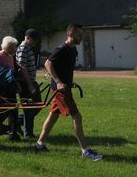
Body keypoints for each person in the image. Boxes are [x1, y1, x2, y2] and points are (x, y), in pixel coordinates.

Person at [34, 24, 104, 161]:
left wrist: (67, 81)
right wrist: (58, 82)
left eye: (82, 34)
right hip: (60, 91)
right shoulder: (62, 49)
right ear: (70, 34)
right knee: (77, 117)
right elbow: (48, 64)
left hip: (64, 88)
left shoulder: (73, 50)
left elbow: (63, 68)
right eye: (79, 35)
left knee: (53, 116)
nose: (81, 37)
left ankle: (39, 145)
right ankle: (86, 151)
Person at [16, 29, 41, 138]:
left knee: (38, 105)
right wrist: (30, 85)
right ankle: (28, 133)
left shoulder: (28, 48)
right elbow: (22, 68)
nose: (35, 43)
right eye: (34, 40)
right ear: (28, 38)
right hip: (25, 83)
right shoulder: (22, 49)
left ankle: (16, 121)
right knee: (29, 108)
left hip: (31, 81)